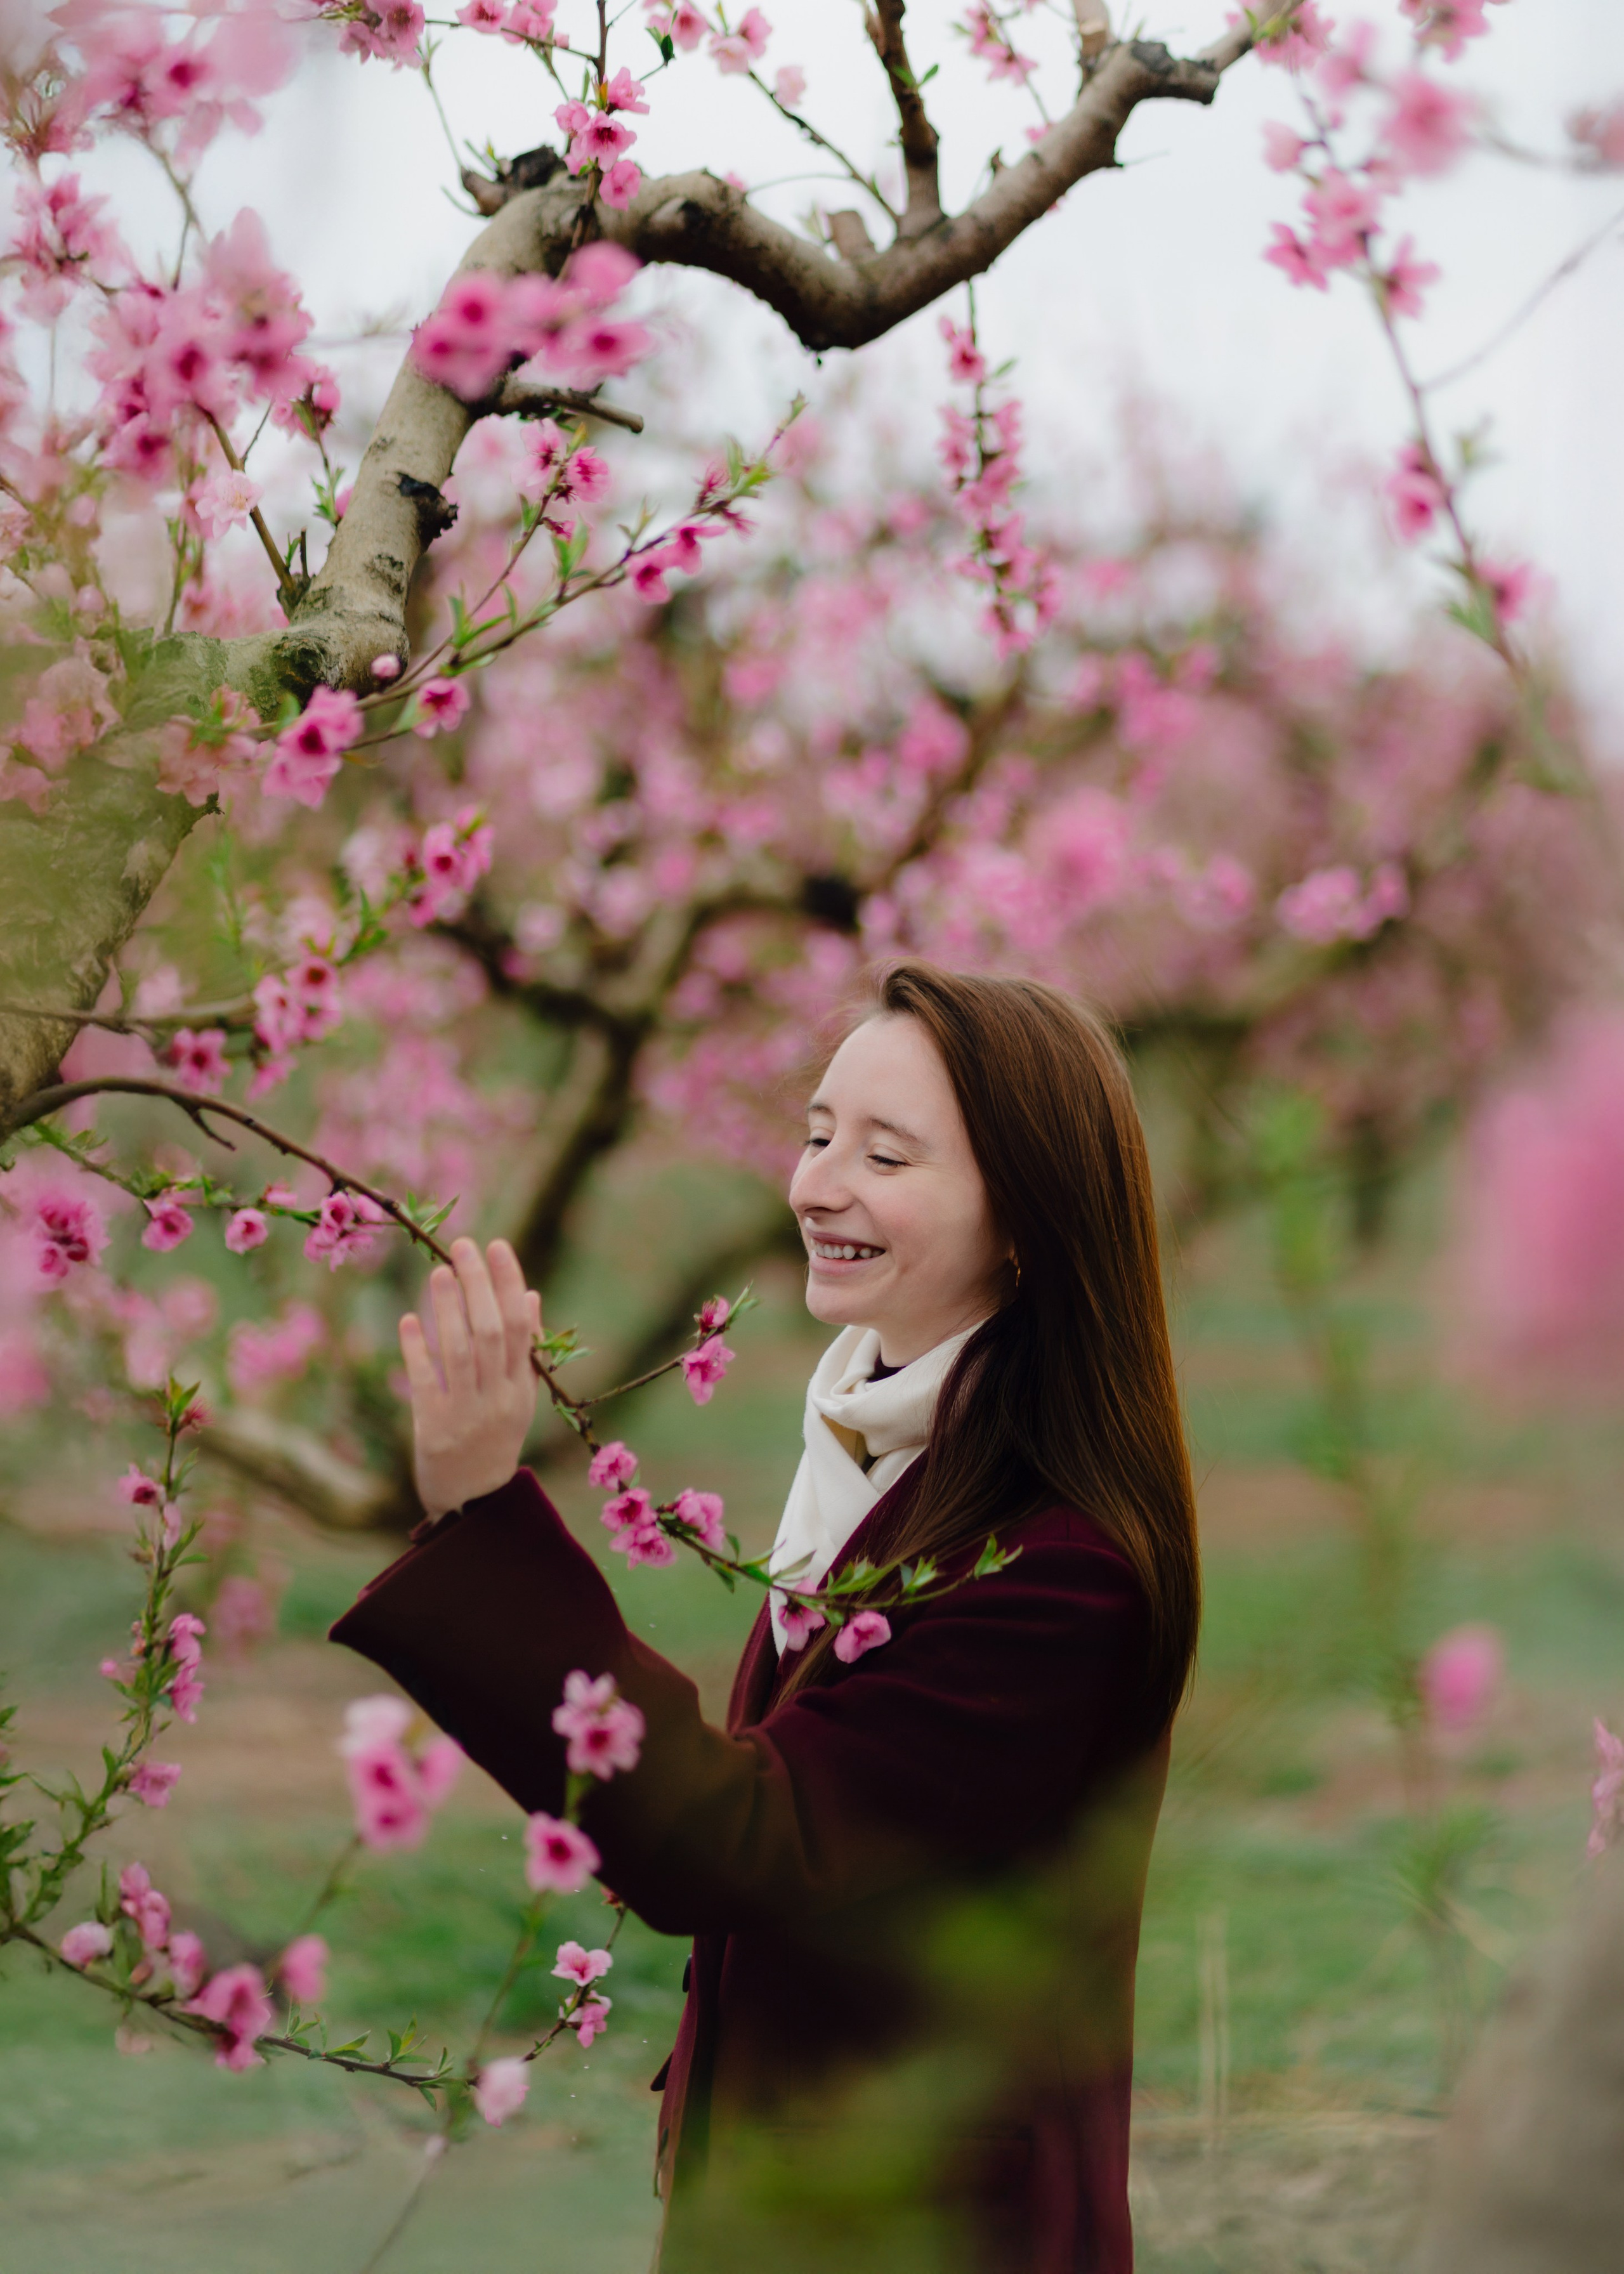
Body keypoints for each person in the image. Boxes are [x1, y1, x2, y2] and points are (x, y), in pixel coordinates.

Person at [331, 962, 1201, 2271]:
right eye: (814, 1132)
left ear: (1024, 1218)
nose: (814, 1183)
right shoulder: (867, 1449)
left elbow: (746, 1834)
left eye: (884, 1153)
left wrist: (481, 1520)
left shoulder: (1058, 1569)